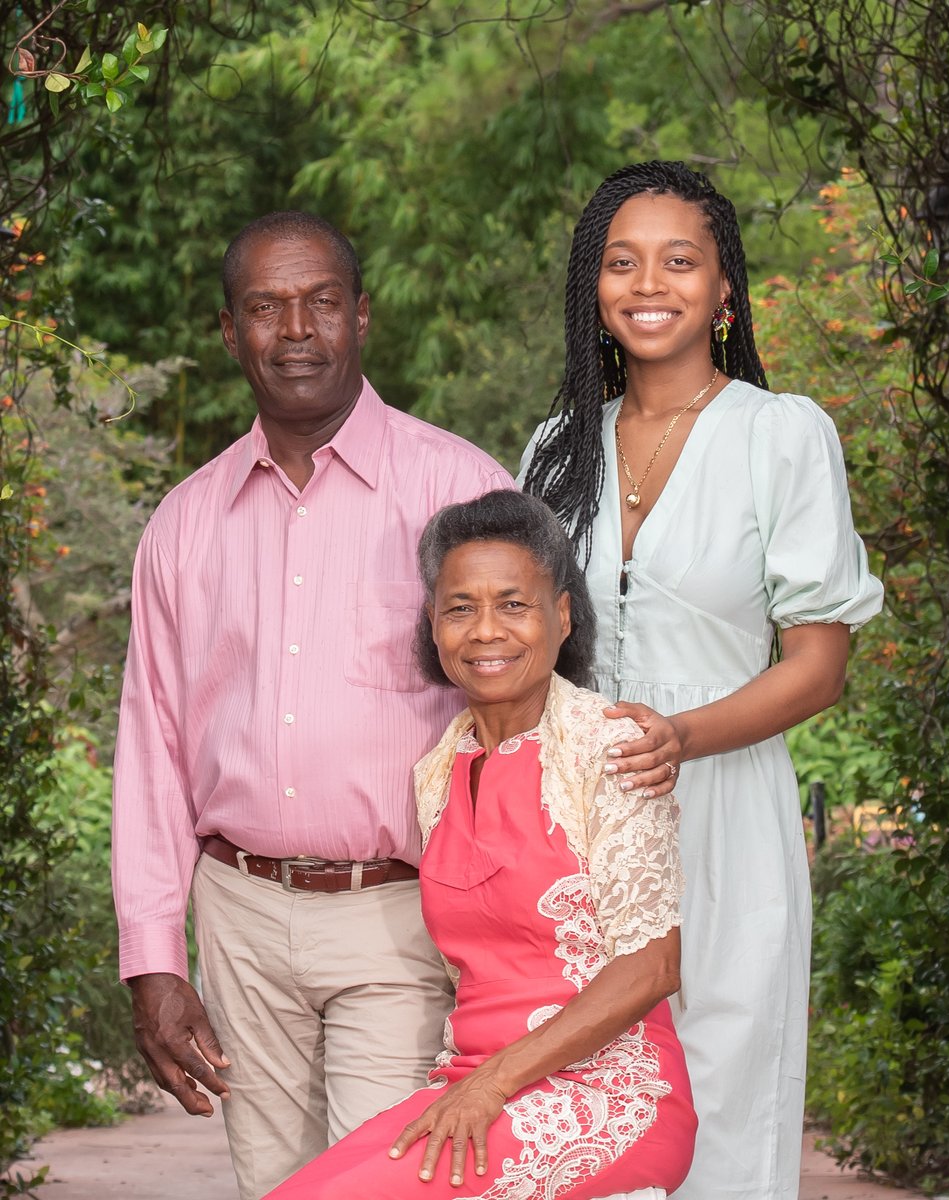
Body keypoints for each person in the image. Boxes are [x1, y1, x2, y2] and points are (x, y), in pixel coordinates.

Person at [111, 211, 514, 1200]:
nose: (296, 330)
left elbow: (525, 722)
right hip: (241, 918)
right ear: (229, 331)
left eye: (320, 302)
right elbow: (153, 746)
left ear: (361, 317)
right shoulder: (184, 524)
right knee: (274, 1188)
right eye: (266, 307)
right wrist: (154, 961)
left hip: (401, 917)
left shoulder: (460, 491)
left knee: (382, 1187)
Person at [519, 161, 884, 1200]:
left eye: (681, 260)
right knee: (586, 1117)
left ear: (725, 291)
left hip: (724, 813)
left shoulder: (782, 436)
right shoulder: (554, 451)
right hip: (581, 829)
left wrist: (681, 735)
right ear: (593, 286)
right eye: (622, 261)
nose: (650, 283)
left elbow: (818, 667)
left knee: (726, 1111)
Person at [266, 489, 697, 1199]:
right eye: (460, 607)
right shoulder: (438, 770)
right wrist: (476, 1086)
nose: (486, 630)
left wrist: (491, 1085)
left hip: (606, 1091)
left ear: (561, 615)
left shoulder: (610, 748)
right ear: (433, 625)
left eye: (514, 604)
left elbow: (651, 969)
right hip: (471, 1087)